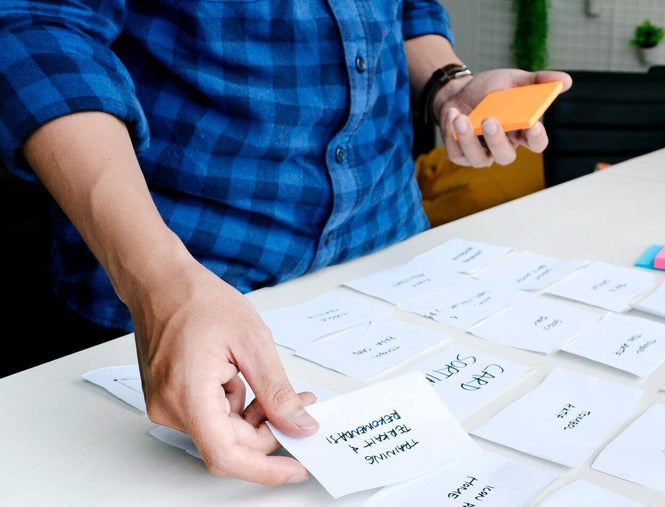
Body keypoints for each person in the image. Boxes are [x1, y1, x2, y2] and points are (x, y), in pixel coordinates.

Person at [0, 0, 570, 486]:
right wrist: (159, 282)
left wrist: (451, 86)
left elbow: (409, 7)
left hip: (388, 257)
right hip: (183, 286)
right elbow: (33, 25)